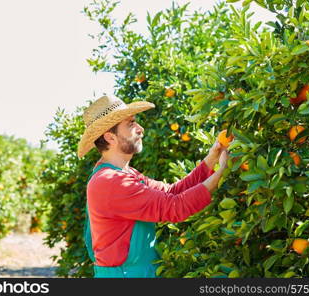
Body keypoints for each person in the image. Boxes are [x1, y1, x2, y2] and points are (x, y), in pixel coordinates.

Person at [77, 95, 229, 278]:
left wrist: (212, 158)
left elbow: (172, 192)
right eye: (131, 123)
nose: (140, 129)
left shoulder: (127, 175)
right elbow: (176, 207)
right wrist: (222, 172)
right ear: (110, 137)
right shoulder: (110, 181)